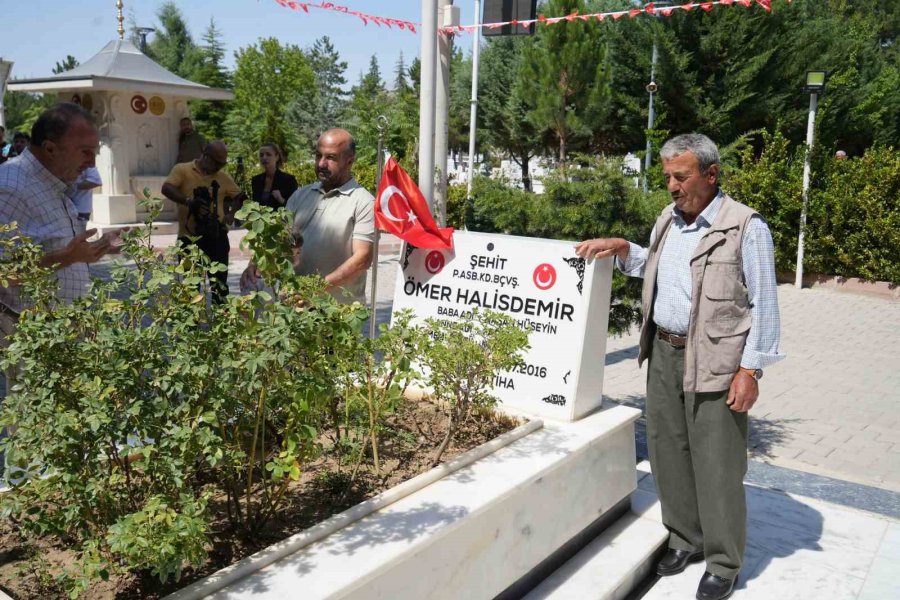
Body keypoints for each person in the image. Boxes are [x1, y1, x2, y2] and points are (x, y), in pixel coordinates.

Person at [575, 133, 784, 600]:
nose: (671, 185)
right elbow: (660, 267)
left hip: (717, 359)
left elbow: (766, 304)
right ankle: (685, 538)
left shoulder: (746, 227)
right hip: (665, 353)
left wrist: (751, 370)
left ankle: (724, 562)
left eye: (681, 176)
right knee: (669, 455)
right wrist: (623, 248)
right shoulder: (669, 220)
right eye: (667, 175)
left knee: (717, 465)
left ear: (710, 175)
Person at [0, 103, 122, 477]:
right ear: (50, 147)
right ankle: (31, 495)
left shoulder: (54, 186)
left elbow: (57, 253)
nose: (92, 159)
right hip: (30, 338)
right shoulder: (10, 187)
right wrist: (66, 256)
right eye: (85, 150)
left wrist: (89, 252)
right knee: (33, 434)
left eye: (95, 149)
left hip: (64, 335)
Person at [240, 129, 374, 304]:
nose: (321, 164)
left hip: (337, 315)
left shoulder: (364, 201)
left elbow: (362, 259)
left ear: (350, 160)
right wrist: (254, 264)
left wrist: (313, 290)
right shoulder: (300, 195)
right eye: (318, 156)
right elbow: (276, 238)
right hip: (292, 308)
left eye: (331, 157)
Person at [162, 140, 245, 304]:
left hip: (217, 237)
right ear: (206, 157)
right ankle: (191, 327)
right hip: (189, 238)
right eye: (217, 164)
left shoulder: (222, 177)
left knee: (219, 287)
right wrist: (188, 202)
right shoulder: (182, 170)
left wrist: (230, 215)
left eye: (222, 165)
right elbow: (167, 188)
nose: (219, 168)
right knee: (190, 288)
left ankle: (221, 324)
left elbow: (240, 197)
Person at [250, 142, 298, 211]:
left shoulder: (289, 180)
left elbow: (294, 207)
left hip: (281, 221)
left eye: (268, 154)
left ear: (277, 157)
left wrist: (281, 199)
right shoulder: (256, 180)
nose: (264, 158)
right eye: (261, 155)